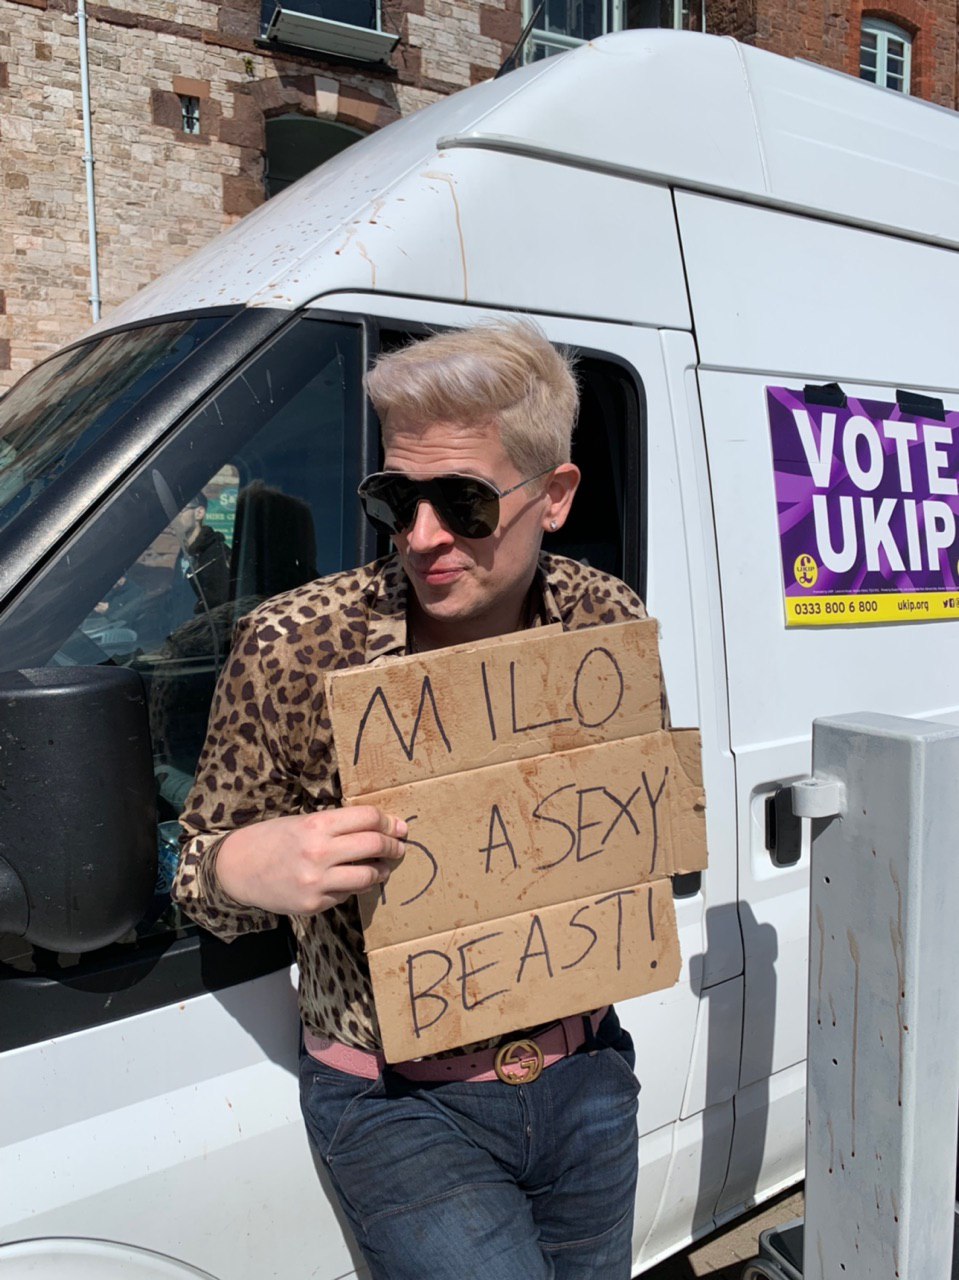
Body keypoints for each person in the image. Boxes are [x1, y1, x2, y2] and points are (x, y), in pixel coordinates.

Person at [172, 320, 652, 1280]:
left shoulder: (606, 619)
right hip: (400, 1103)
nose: (422, 536)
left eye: (463, 502)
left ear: (554, 496)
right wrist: (249, 864)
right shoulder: (293, 644)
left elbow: (635, 814)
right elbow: (197, 863)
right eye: (396, 498)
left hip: (587, 1069)